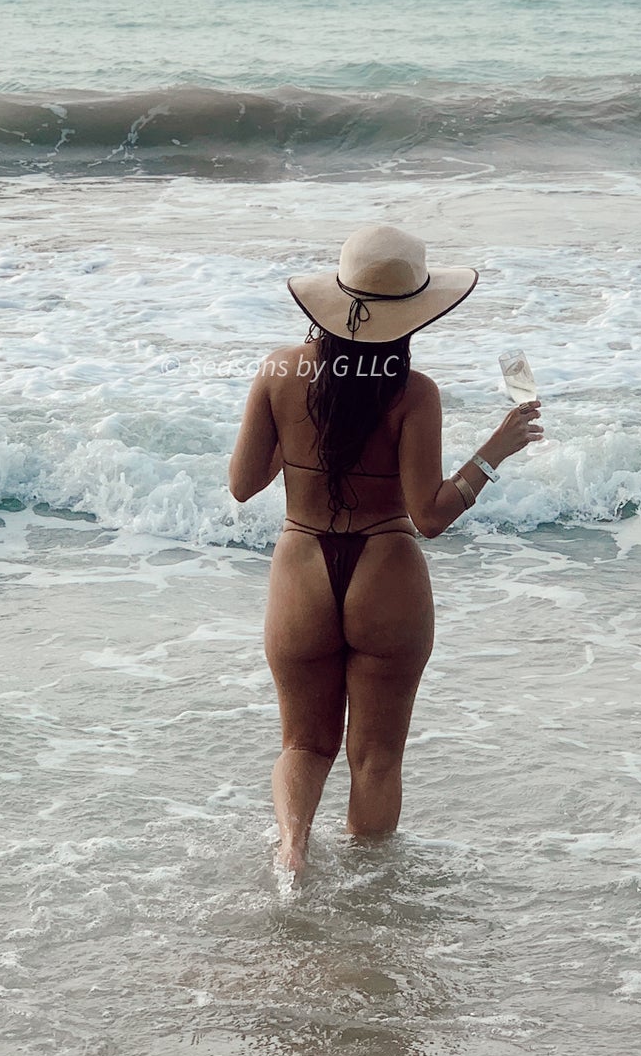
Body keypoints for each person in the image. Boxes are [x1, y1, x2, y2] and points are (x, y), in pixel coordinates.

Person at [228, 223, 544, 876]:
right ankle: (367, 901)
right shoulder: (412, 391)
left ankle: (291, 852)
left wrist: (301, 437)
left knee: (302, 744)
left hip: (301, 567)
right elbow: (429, 514)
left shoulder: (279, 372)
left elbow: (241, 484)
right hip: (384, 568)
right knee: (374, 758)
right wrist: (496, 449)